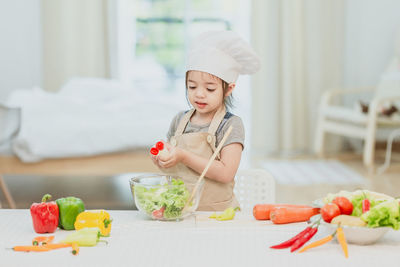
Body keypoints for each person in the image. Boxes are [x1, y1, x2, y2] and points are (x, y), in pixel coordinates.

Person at [150, 30, 260, 211]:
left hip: (217, 214)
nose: (199, 94)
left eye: (210, 89)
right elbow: (175, 168)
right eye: (192, 86)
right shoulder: (179, 120)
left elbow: (226, 173)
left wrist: (183, 156)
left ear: (228, 89)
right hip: (180, 211)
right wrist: (163, 159)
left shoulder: (231, 125)